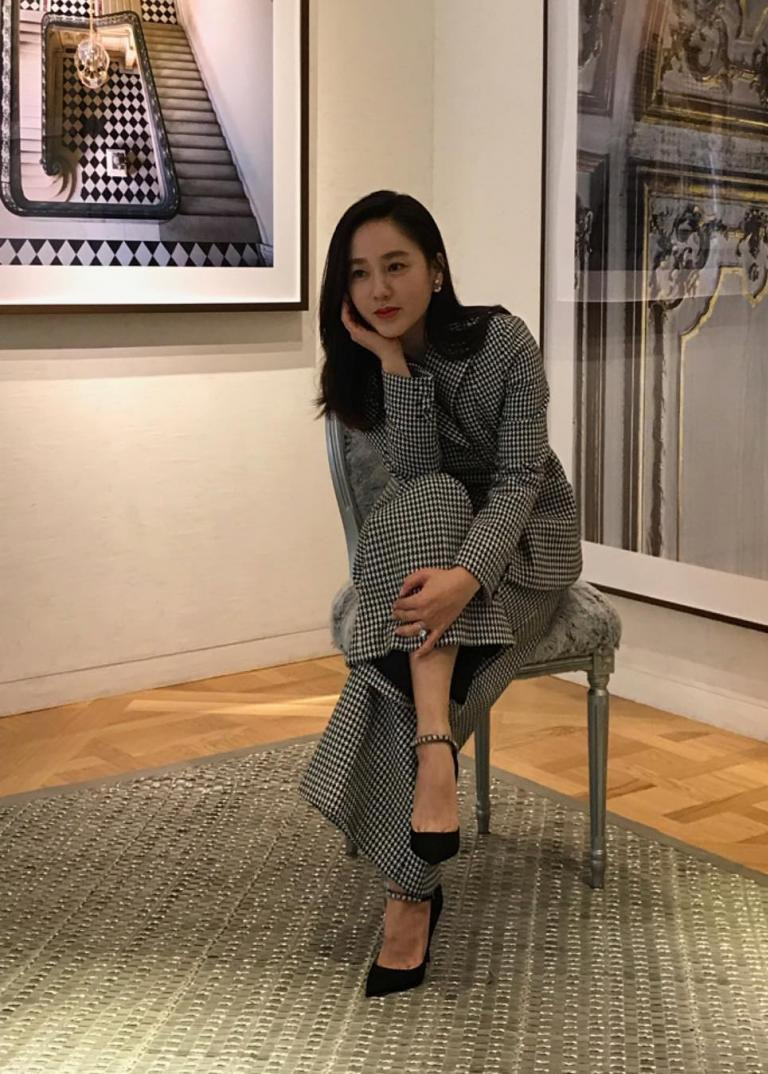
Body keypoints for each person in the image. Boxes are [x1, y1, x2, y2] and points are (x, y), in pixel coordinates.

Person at [299, 190, 582, 998]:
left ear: (436, 268)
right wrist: (394, 366)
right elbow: (423, 479)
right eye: (359, 274)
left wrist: (466, 578)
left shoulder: (504, 342)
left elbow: (519, 480)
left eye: (395, 266)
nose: (378, 289)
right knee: (435, 497)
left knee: (420, 665)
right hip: (435, 541)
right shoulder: (375, 365)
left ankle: (409, 895)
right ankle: (434, 761)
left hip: (526, 549)